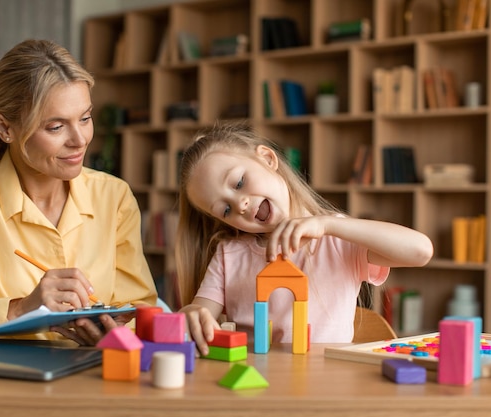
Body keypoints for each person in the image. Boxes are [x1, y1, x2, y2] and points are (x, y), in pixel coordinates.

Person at [0, 39, 157, 346]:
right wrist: (20, 309)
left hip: (92, 380)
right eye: (56, 127)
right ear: (5, 128)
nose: (80, 140)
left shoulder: (114, 197)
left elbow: (141, 311)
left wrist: (111, 335)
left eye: (85, 119)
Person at [176, 122, 433, 355]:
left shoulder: (336, 238)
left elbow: (420, 251)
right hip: (256, 388)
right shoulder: (228, 254)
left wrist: (330, 224)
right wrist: (191, 314)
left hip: (326, 388)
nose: (240, 204)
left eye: (239, 182)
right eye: (226, 210)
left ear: (267, 159)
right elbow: (201, 314)